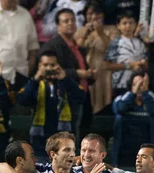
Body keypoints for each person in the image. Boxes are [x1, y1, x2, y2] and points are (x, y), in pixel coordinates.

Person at [17, 50, 86, 160]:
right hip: (40, 141)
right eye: (45, 65)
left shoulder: (66, 83)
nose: (49, 68)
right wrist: (35, 79)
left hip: (64, 141)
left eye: (52, 65)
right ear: (39, 65)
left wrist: (65, 79)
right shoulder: (35, 84)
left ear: (58, 66)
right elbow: (22, 100)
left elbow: (81, 98)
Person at [40, 8, 95, 138]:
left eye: (73, 20)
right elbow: (48, 70)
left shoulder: (77, 46)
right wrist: (77, 73)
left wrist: (90, 75)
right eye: (66, 21)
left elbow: (82, 69)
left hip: (81, 96)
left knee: (80, 136)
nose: (70, 23)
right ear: (58, 26)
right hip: (63, 99)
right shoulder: (52, 46)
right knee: (67, 139)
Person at [76, 3, 120, 114]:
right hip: (86, 72)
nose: (94, 17)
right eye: (90, 14)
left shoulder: (112, 29)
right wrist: (85, 33)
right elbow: (76, 49)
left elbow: (112, 49)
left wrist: (100, 33)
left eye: (98, 14)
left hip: (105, 73)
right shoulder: (80, 31)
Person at [112, 73, 154, 167]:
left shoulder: (152, 99)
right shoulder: (122, 98)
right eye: (136, 84)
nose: (139, 87)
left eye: (142, 84)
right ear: (131, 86)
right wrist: (133, 93)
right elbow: (120, 109)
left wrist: (145, 93)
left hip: (147, 150)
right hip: (124, 150)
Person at [103, 11, 149, 96]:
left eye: (131, 23)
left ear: (135, 24)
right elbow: (106, 65)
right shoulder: (116, 43)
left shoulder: (141, 42)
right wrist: (128, 65)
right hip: (120, 85)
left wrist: (143, 64)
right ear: (118, 26)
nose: (128, 26)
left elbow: (146, 64)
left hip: (139, 85)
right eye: (124, 23)